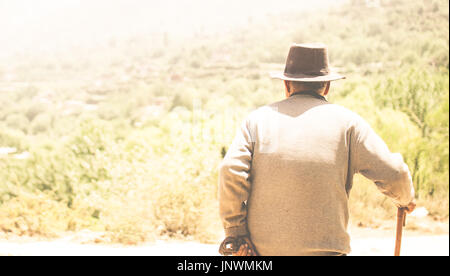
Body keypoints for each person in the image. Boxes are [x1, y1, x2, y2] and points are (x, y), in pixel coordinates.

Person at [218, 43, 416, 256]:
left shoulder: (257, 121)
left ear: (286, 84)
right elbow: (395, 173)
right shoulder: (348, 124)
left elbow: (230, 169)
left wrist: (236, 231)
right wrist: (404, 199)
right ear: (327, 87)